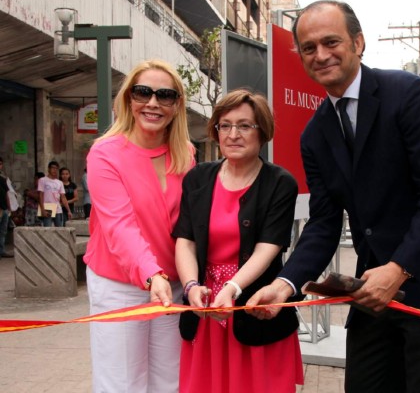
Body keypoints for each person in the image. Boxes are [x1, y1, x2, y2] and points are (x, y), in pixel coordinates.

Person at [246, 1, 420, 393]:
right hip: (373, 290)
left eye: (331, 42)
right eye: (309, 48)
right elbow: (325, 223)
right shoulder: (315, 134)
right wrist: (285, 283)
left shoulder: (408, 94)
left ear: (358, 42)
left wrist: (398, 270)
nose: (321, 55)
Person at [173, 89, 303, 393]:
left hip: (254, 308)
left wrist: (232, 288)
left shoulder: (280, 183)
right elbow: (185, 240)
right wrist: (191, 286)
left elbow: (268, 248)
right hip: (205, 310)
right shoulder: (198, 178)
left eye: (245, 125)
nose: (233, 134)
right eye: (225, 125)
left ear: (262, 131)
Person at [83, 59, 195, 392]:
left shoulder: (185, 154)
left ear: (177, 106)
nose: (153, 103)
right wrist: (151, 274)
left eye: (165, 95)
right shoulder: (105, 153)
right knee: (122, 382)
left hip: (172, 285)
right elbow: (120, 226)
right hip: (119, 285)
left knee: (170, 381)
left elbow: (191, 225)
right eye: (143, 92)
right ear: (129, 100)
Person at [37, 161, 72, 227]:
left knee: (60, 229)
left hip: (58, 209)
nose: (55, 170)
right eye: (53, 168)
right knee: (48, 230)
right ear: (48, 169)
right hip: (47, 208)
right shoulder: (42, 180)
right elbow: (40, 195)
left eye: (56, 168)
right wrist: (42, 209)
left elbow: (63, 197)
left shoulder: (59, 183)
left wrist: (68, 210)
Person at [0, 157, 12, 258]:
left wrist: (9, 207)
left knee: (3, 230)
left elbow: (6, 194)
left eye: (0, 164)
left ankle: (1, 250)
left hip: (4, 209)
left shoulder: (3, 179)